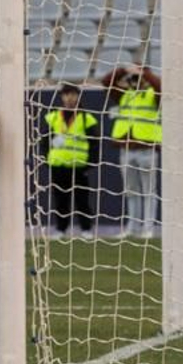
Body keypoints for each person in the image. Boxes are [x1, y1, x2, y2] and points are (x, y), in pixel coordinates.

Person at [101, 63, 162, 238]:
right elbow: (106, 82)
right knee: (131, 191)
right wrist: (123, 70)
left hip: (147, 149)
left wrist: (144, 72)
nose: (135, 81)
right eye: (133, 78)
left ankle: (148, 228)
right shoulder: (125, 95)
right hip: (126, 149)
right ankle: (132, 227)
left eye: (138, 78)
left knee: (149, 191)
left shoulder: (153, 94)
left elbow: (159, 86)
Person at [45, 82, 99, 239]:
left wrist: (91, 163)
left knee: (82, 199)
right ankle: (61, 229)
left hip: (79, 165)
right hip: (58, 164)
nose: (70, 98)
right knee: (61, 200)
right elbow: (44, 140)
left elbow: (94, 143)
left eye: (73, 94)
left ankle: (86, 229)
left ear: (78, 97)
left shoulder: (86, 118)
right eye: (66, 94)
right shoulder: (53, 116)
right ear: (62, 97)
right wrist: (46, 159)